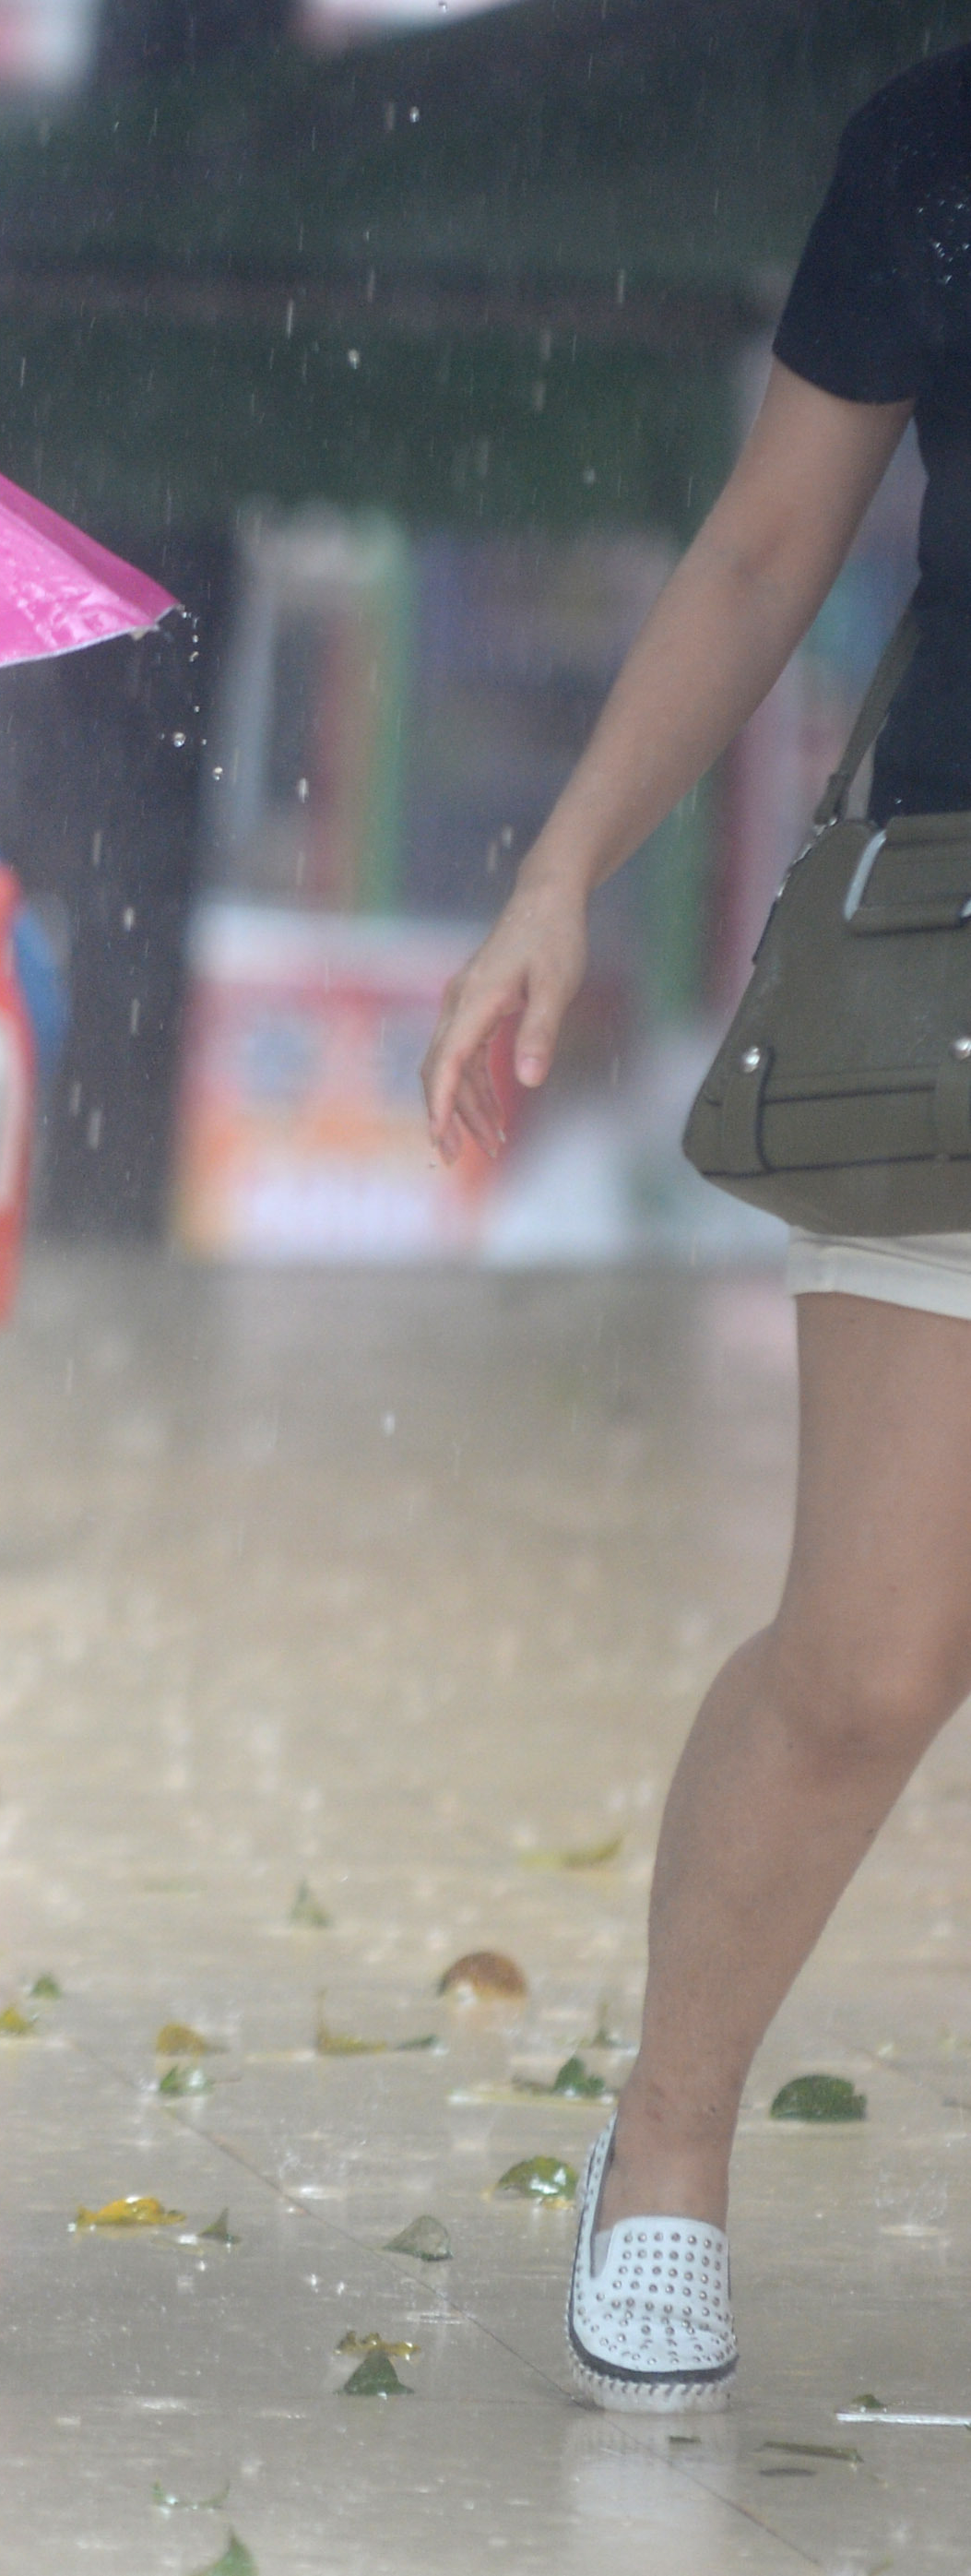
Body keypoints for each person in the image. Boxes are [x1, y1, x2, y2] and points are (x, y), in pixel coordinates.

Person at [420, 45, 971, 2413]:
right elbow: (770, 542)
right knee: (869, 1652)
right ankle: (664, 2133)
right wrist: (556, 872)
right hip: (956, 944)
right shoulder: (936, 135)